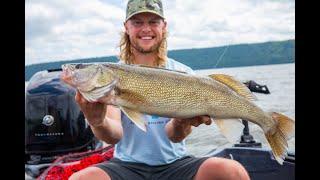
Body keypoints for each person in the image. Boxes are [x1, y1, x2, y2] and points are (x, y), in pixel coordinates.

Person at [69, 0, 250, 179]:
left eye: (153, 22)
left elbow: (175, 137)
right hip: (126, 166)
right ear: (126, 27)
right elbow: (114, 135)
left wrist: (181, 123)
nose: (146, 29)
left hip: (176, 163)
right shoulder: (112, 76)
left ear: (164, 26)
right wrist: (97, 122)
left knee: (233, 172)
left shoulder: (185, 74)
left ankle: (269, 123)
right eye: (137, 22)